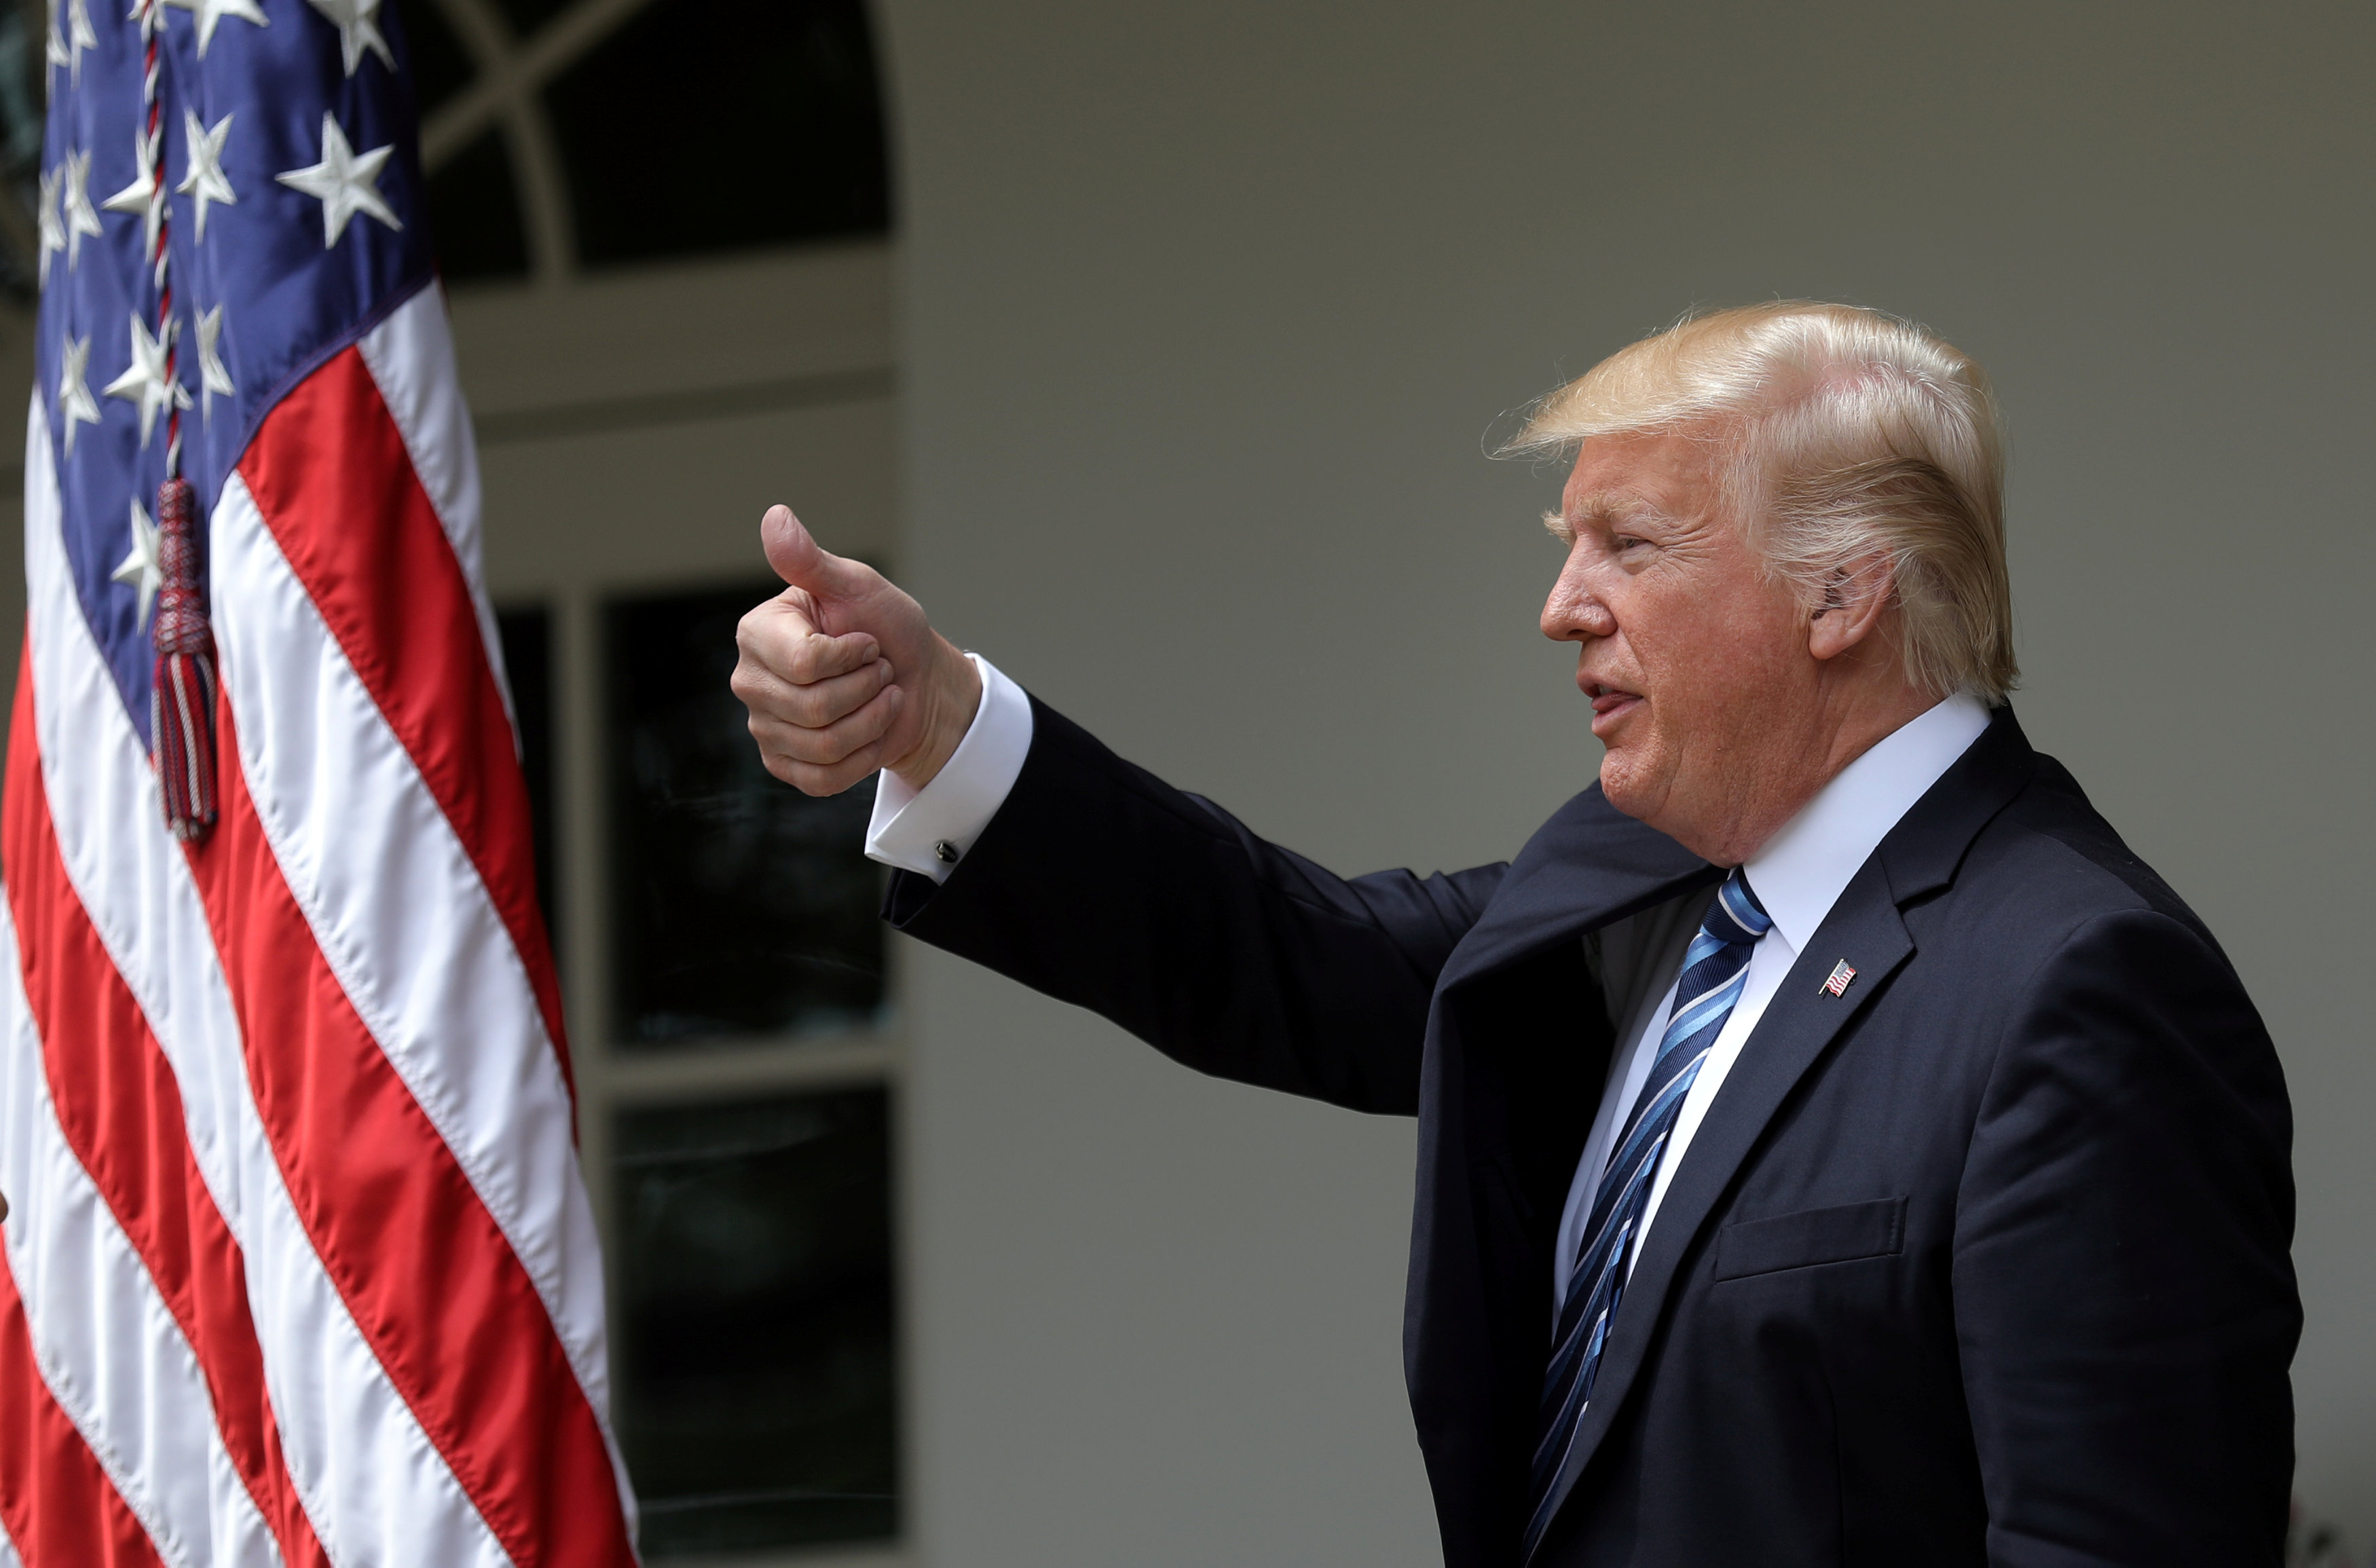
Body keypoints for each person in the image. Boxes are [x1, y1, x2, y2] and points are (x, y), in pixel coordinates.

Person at [730, 302, 2298, 1567]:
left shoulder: (2073, 986)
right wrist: (944, 726)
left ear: (1840, 594)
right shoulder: (1650, 867)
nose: (1560, 605)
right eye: (1567, 542)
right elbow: (1301, 958)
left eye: (1629, 544)